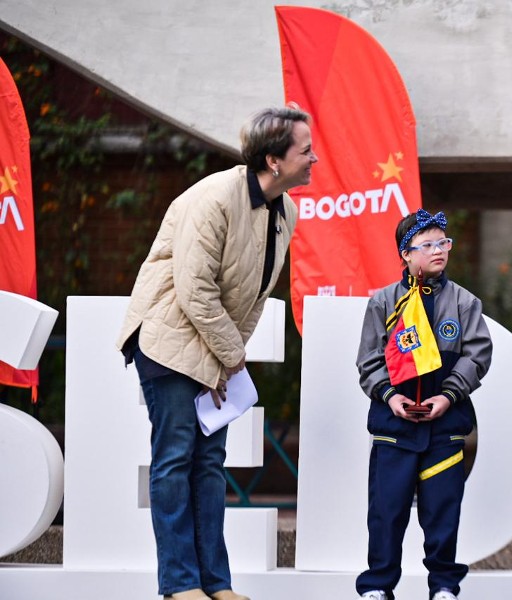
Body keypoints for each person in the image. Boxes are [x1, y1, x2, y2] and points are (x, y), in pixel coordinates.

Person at [116, 104, 315, 600]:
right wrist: (231, 356)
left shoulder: (285, 210)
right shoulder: (213, 198)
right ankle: (180, 584)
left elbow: (254, 296)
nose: (315, 159)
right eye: (306, 150)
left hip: (212, 343)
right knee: (176, 458)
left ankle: (215, 584)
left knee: (209, 463)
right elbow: (194, 290)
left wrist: (228, 355)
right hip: (167, 340)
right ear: (274, 160)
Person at [355, 209, 492, 600]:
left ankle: (444, 585)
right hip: (393, 428)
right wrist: (390, 395)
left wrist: (448, 395)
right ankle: (378, 585)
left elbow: (477, 355)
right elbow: (368, 360)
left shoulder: (465, 303)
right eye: (427, 244)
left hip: (444, 428)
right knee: (386, 511)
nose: (439, 250)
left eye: (443, 242)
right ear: (406, 253)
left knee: (442, 510)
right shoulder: (384, 302)